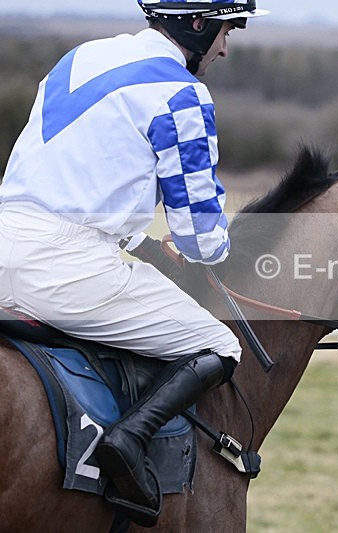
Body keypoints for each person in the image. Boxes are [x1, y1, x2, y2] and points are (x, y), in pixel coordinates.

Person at [0, 0, 268, 515]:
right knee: (217, 343)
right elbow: (200, 238)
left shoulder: (78, 59)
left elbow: (79, 174)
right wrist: (208, 250)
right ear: (197, 25)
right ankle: (127, 442)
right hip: (65, 266)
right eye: (225, 32)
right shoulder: (182, 93)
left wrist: (138, 240)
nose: (225, 48)